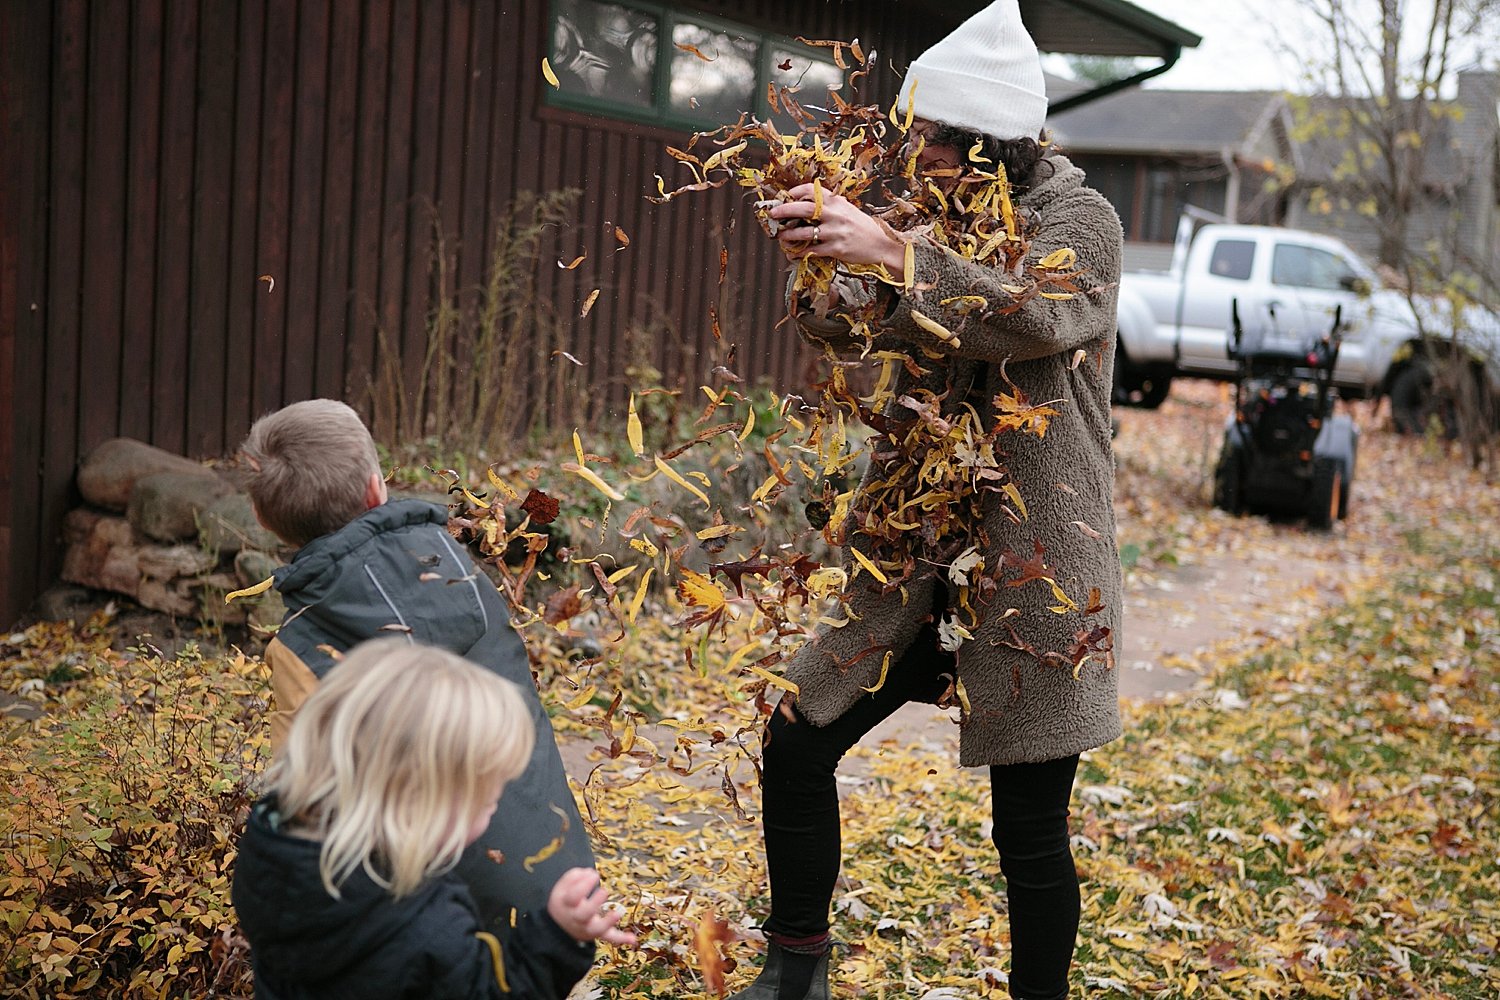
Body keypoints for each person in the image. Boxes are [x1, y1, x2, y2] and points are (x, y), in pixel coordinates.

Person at [731, 3, 1124, 999]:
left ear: (997, 141)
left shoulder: (1083, 221)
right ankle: (795, 971)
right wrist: (823, 253)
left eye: (945, 139)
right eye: (923, 136)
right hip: (912, 558)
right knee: (796, 736)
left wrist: (896, 252)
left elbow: (1029, 311)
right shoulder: (924, 218)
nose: (927, 155)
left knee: (1027, 833)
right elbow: (846, 332)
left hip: (1034, 573)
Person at [238, 398, 595, 954]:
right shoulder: (459, 572)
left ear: (263, 520)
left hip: (423, 921)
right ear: (377, 488)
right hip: (551, 884)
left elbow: (303, 802)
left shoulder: (301, 644)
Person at [232, 639, 635, 999]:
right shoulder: (424, 931)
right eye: (485, 801)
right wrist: (557, 937)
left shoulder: (274, 852)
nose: (495, 809)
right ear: (421, 805)